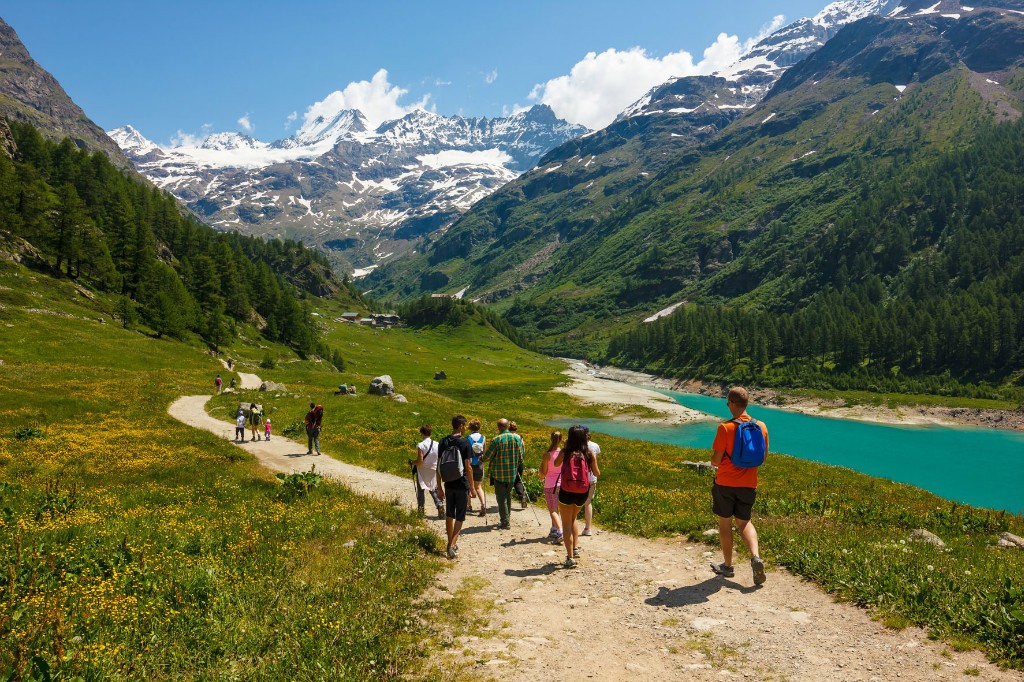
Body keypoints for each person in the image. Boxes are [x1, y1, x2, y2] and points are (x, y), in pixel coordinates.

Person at [710, 386, 769, 586]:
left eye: (728, 403)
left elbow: (716, 461)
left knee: (725, 523)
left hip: (725, 483)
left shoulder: (725, 428)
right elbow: (763, 457)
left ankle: (727, 566)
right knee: (744, 522)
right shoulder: (761, 426)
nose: (728, 406)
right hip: (748, 484)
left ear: (733, 403)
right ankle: (755, 556)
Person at [553, 425, 595, 568]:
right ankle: (575, 549)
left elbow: (556, 463)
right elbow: (597, 473)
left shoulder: (566, 451)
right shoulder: (588, 453)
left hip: (566, 490)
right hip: (582, 492)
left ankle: (570, 557)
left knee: (566, 524)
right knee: (573, 518)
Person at [435, 415, 475, 559]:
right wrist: (472, 487)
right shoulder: (464, 442)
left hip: (448, 483)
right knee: (460, 516)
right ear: (461, 426)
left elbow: (438, 466)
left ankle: (449, 543)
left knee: (449, 514)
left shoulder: (443, 441)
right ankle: (452, 545)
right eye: (464, 425)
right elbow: (468, 467)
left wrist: (439, 487)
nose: (465, 428)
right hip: (462, 482)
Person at [480, 418, 524, 530]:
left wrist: (482, 458)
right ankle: (507, 517)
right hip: (512, 473)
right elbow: (521, 456)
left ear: (498, 427)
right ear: (508, 426)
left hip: (499, 473)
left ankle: (505, 522)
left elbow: (488, 456)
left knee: (501, 498)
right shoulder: (517, 438)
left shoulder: (497, 440)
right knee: (508, 495)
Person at [410, 425, 444, 518]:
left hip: (422, 470)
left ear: (422, 433)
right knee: (433, 489)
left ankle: (421, 511)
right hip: (434, 469)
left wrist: (412, 462)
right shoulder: (437, 444)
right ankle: (439, 505)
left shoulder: (421, 445)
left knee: (421, 490)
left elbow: (420, 461)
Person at [539, 430, 564, 543]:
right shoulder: (564, 453)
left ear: (551, 439)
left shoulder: (547, 455)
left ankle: (560, 531)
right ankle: (554, 529)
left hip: (550, 484)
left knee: (552, 510)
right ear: (561, 440)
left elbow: (544, 472)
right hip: (562, 484)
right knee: (557, 508)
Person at [582, 431, 601, 536]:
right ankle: (587, 528)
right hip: (592, 478)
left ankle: (570, 526)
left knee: (575, 503)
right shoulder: (595, 446)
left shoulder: (577, 446)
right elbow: (595, 459)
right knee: (588, 503)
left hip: (580, 478)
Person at [467, 419, 487, 516]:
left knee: (468, 485)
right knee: (478, 486)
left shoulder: (468, 438)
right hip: (479, 463)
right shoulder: (483, 438)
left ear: (470, 428)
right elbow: (484, 453)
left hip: (469, 464)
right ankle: (483, 505)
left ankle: (469, 506)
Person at [509, 421, 528, 508]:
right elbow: (523, 448)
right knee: (518, 480)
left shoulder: (508, 437)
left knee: (509, 480)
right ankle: (522, 495)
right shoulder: (520, 437)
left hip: (510, 462)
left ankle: (507, 498)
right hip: (520, 462)